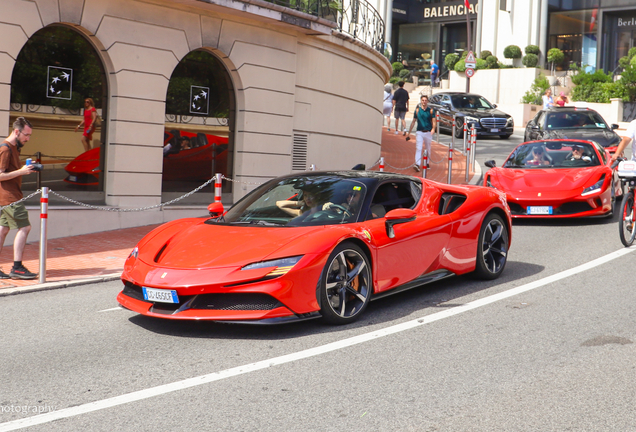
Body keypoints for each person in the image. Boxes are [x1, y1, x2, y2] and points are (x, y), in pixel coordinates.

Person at [0, 117, 38, 279]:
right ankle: (17, 267)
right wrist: (22, 172)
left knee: (3, 229)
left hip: (8, 196)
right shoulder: (5, 149)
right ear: (16, 131)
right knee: (25, 227)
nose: (28, 139)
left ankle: (15, 267)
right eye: (26, 135)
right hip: (10, 197)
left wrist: (27, 169)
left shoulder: (15, 147)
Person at [406, 95, 437, 172]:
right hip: (419, 132)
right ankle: (417, 164)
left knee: (428, 148)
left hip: (428, 132)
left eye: (425, 100)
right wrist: (409, 133)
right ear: (421, 101)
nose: (424, 102)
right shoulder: (417, 110)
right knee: (418, 148)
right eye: (423, 100)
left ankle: (427, 162)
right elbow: (413, 121)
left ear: (427, 101)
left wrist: (433, 129)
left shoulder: (431, 110)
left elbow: (434, 121)